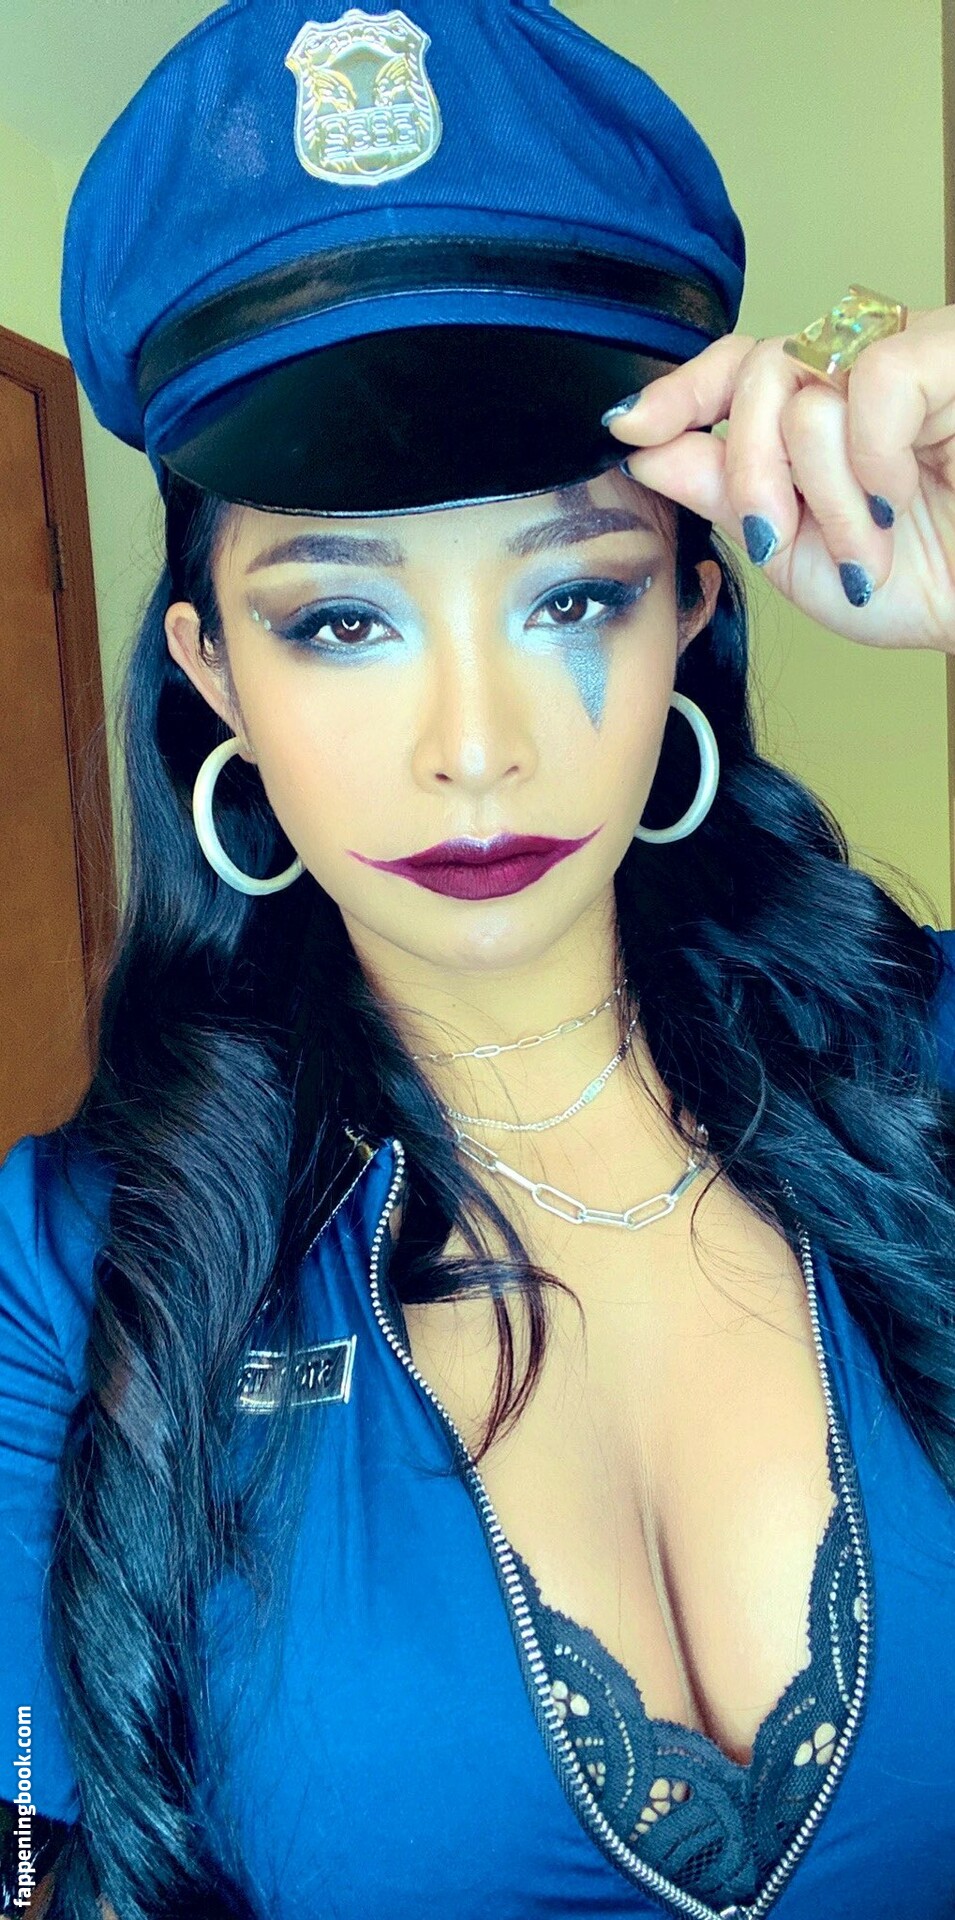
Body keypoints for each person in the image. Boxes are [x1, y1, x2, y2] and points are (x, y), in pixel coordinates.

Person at [2, 2, 955, 1916]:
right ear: (212, 672)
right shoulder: (67, 1281)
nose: (473, 748)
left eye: (572, 594)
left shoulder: (926, 1067)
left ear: (693, 609)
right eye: (342, 622)